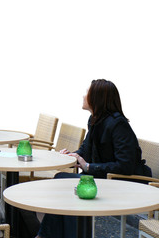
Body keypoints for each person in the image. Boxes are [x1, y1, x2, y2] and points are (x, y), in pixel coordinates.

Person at [36, 79, 151, 238]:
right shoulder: (95, 120)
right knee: (62, 181)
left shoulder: (118, 125)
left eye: (87, 93)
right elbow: (86, 149)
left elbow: (125, 166)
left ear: (96, 98)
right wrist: (71, 156)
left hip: (124, 182)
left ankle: (46, 235)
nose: (83, 96)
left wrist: (89, 167)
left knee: (63, 183)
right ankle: (49, 234)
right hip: (103, 178)